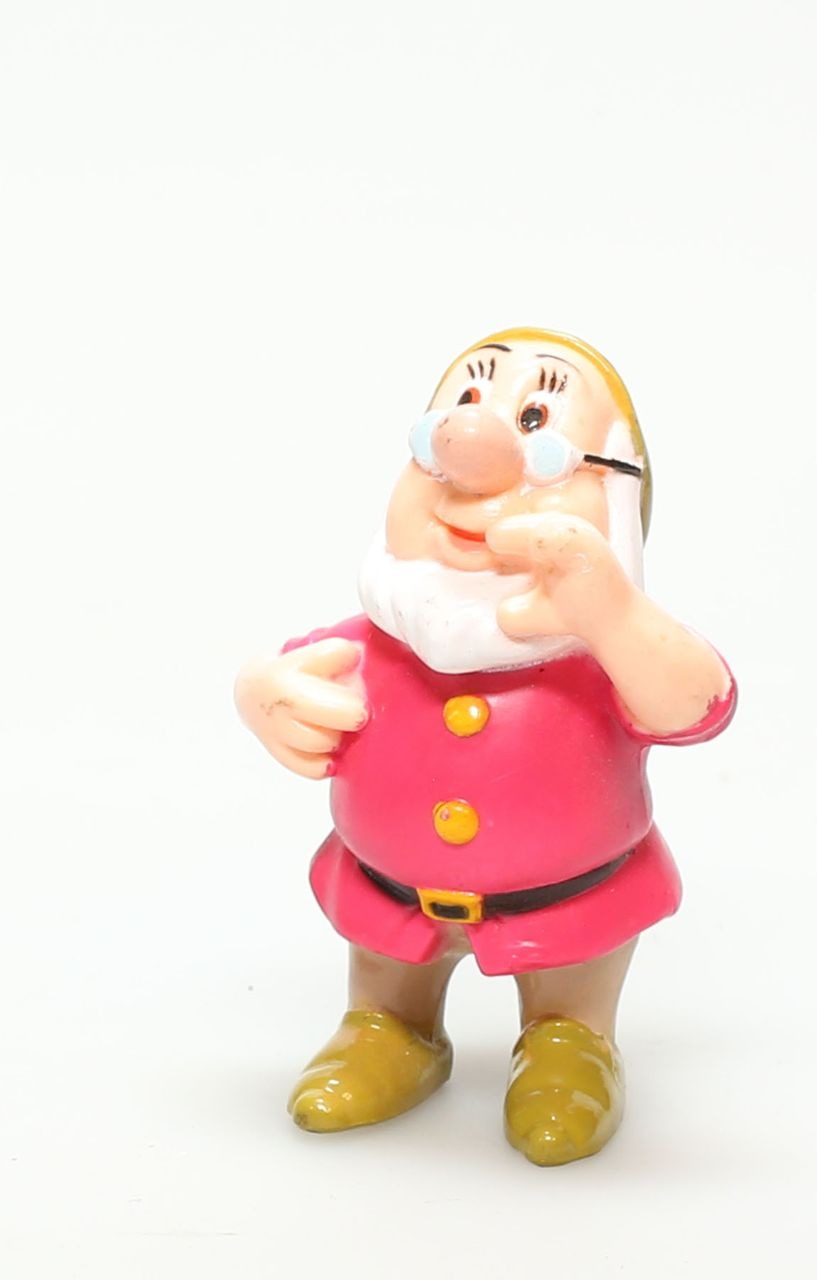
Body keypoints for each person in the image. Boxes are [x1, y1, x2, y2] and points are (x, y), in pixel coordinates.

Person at [235, 327, 736, 1166]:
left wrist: (611, 614)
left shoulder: (608, 652)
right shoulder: (376, 640)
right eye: (457, 418)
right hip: (388, 891)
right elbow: (292, 672)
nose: (472, 464)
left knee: (570, 995)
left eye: (538, 432)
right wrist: (262, 692)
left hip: (569, 900)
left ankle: (569, 1044)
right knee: (386, 981)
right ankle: (389, 1030)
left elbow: (697, 704)